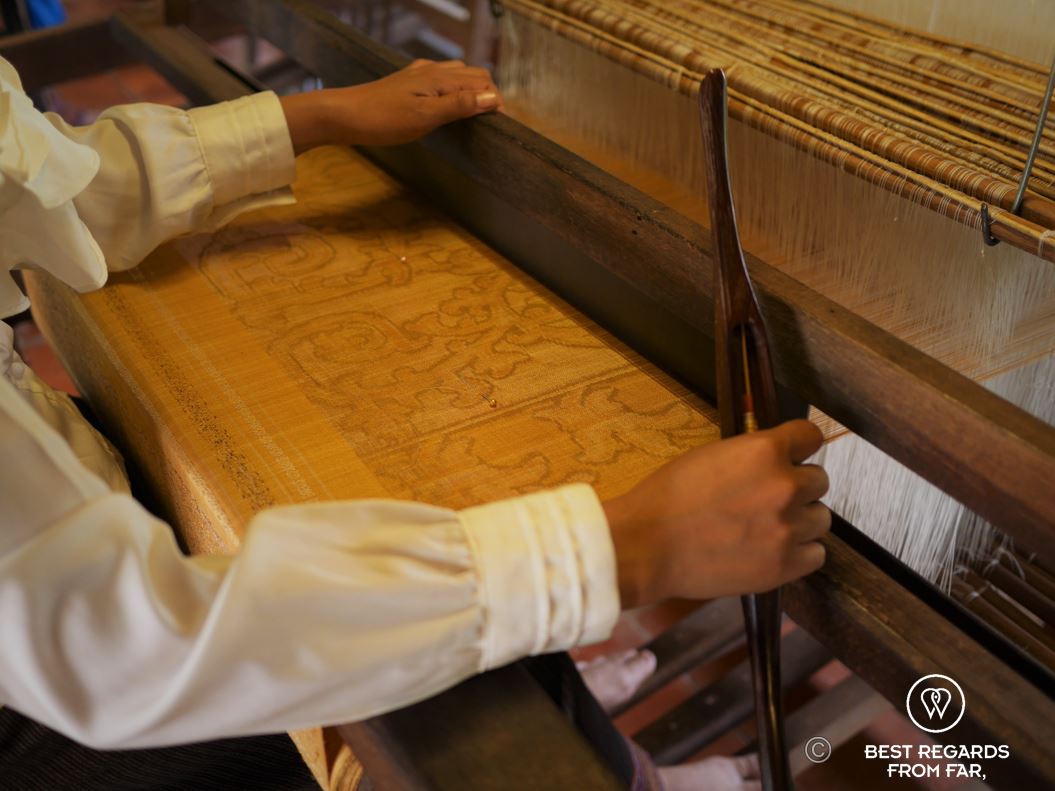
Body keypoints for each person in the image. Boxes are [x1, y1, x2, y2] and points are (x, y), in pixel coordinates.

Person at [0, 52, 830, 790]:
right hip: (48, 724)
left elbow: (39, 186)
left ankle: (588, 729)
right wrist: (630, 548)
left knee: (456, 539)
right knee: (456, 644)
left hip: (51, 568)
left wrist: (319, 115)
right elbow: (120, 653)